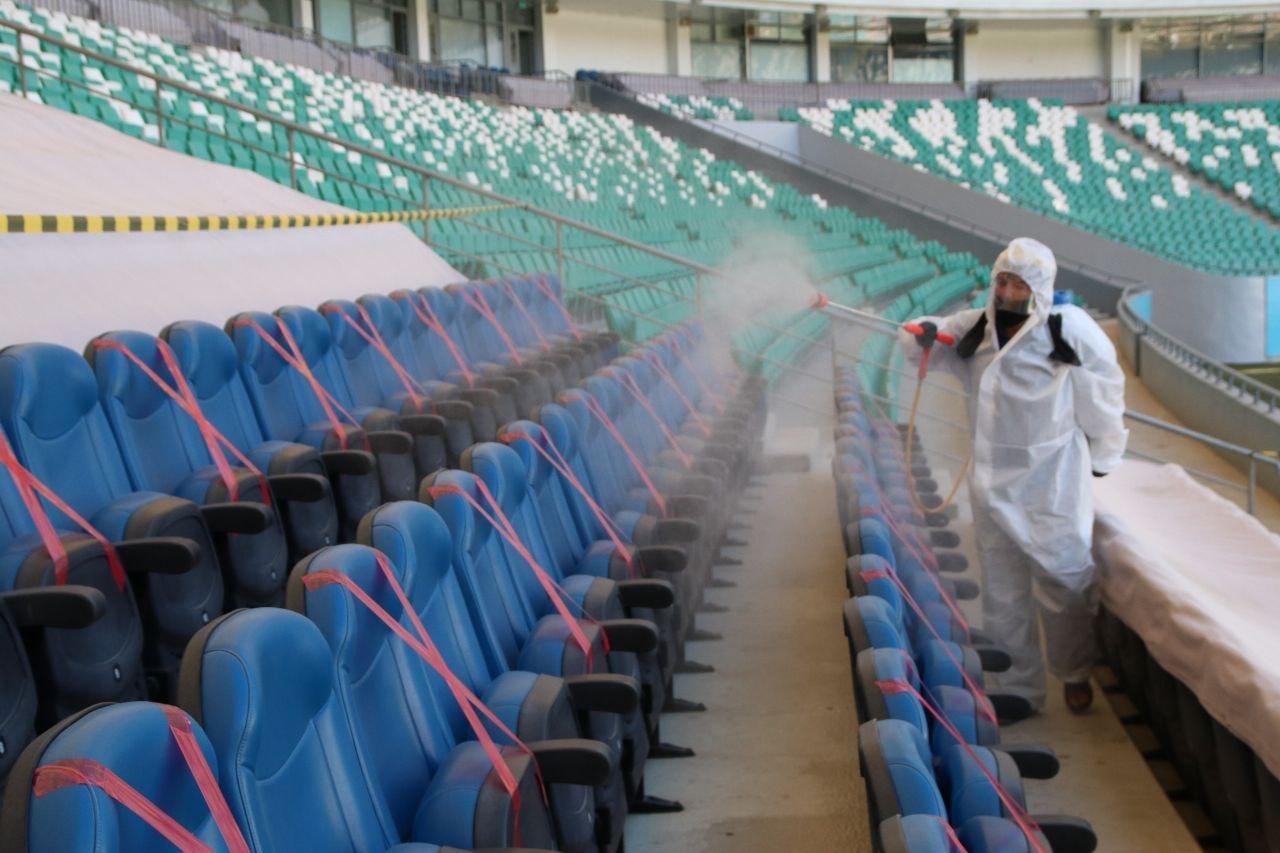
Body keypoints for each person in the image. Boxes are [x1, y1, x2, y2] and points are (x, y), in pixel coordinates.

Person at [899, 237, 1127, 714]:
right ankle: (1018, 688)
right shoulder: (977, 325)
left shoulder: (1069, 329)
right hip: (991, 478)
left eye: (1019, 282)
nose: (1007, 290)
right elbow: (930, 333)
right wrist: (918, 332)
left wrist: (1105, 451)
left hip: (1052, 478)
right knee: (1002, 591)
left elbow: (1103, 389)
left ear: (1038, 286)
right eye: (1002, 280)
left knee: (1064, 581)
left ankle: (1073, 670)